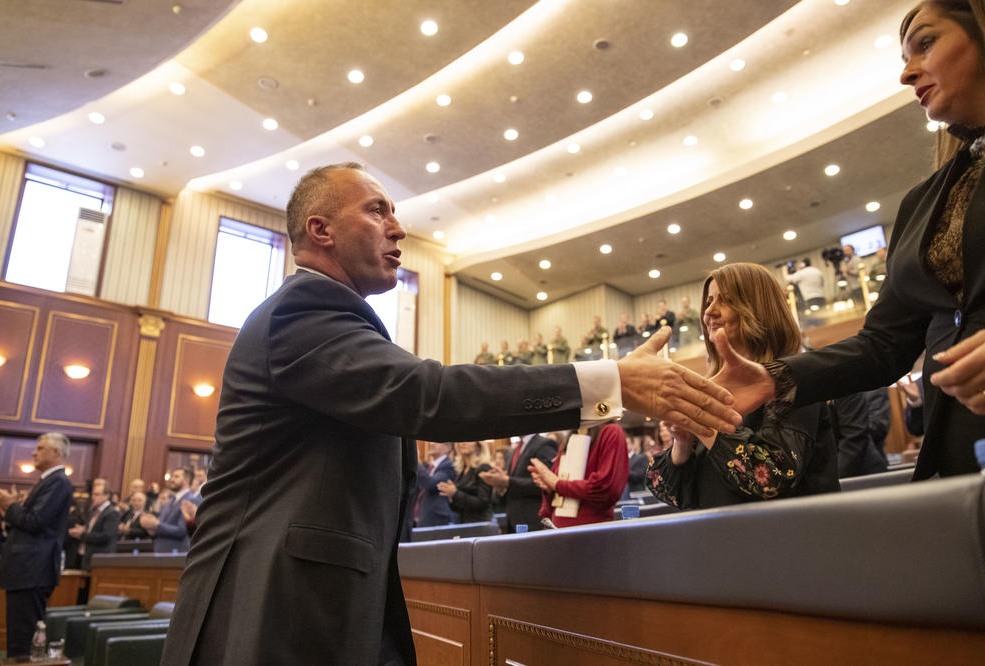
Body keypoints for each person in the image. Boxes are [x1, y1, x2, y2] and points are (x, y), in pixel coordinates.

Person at [159, 162, 739, 666]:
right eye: (377, 210)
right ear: (321, 230)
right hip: (268, 611)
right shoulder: (302, 310)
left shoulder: (332, 316)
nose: (398, 227)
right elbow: (428, 396)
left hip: (314, 605)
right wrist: (610, 380)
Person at [714, 1, 985, 480]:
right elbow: (884, 345)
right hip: (959, 468)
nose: (907, 74)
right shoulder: (924, 201)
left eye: (926, 43)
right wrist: (774, 377)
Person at [647, 263, 840, 509]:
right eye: (708, 302)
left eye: (725, 300)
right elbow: (668, 492)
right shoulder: (711, 387)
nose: (709, 312)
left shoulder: (791, 382)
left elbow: (769, 480)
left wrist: (704, 424)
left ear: (759, 310)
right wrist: (682, 443)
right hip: (716, 541)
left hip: (785, 542)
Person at [0, 433, 73, 660]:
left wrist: (7, 503)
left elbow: (35, 522)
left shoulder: (59, 482)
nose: (34, 452)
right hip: (26, 571)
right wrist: (13, 508)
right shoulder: (48, 481)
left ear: (56, 453)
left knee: (25, 645)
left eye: (41, 448)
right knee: (19, 639)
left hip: (32, 571)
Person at [532, 424, 629, 527]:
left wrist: (557, 484)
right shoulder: (570, 437)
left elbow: (605, 488)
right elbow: (557, 490)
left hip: (591, 531)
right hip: (560, 528)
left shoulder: (611, 431)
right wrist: (549, 489)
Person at [480, 433, 557, 532]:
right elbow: (511, 483)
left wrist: (507, 481)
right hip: (513, 522)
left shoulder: (544, 444)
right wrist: (500, 487)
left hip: (533, 521)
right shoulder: (515, 449)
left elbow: (546, 483)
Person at [139, 467, 202, 553]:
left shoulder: (190, 500)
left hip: (176, 553)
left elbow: (182, 531)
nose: (172, 479)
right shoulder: (168, 502)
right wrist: (151, 527)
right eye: (172, 476)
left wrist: (157, 525)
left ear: (186, 480)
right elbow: (161, 526)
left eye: (176, 477)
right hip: (160, 551)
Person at [437, 441, 493, 523]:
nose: (463, 443)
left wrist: (455, 493)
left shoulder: (484, 468)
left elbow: (483, 503)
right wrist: (451, 496)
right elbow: (458, 508)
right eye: (461, 440)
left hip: (479, 524)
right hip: (463, 523)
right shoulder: (462, 471)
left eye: (469, 440)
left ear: (479, 445)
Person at [67, 482, 120, 570]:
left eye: (97, 494)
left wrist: (82, 534)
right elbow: (93, 530)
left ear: (106, 496)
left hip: (100, 559)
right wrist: (83, 529)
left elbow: (106, 536)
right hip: (87, 556)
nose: (93, 497)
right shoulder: (94, 511)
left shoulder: (111, 513)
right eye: (93, 494)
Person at [414, 441, 456, 527]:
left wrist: (416, 461)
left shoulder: (448, 466)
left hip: (437, 519)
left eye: (436, 441)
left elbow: (430, 484)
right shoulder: (432, 467)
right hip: (426, 517)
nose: (431, 444)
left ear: (448, 448)